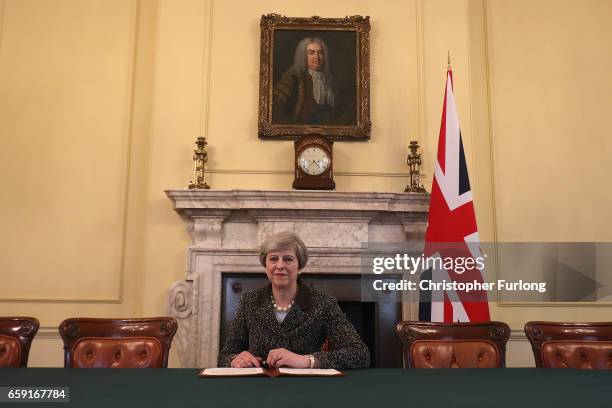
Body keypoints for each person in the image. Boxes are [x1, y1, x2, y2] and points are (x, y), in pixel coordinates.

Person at [217, 231, 370, 369]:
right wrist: (234, 360)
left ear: (299, 265)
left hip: (305, 386)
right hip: (260, 387)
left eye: (288, 259)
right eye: (273, 259)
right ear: (266, 265)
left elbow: (360, 354)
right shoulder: (249, 302)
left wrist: (306, 360)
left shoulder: (323, 302)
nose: (280, 265)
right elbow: (225, 355)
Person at [272, 37, 355, 125]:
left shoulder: (332, 83)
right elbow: (274, 106)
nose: (316, 57)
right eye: (311, 53)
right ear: (304, 56)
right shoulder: (292, 80)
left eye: (320, 53)